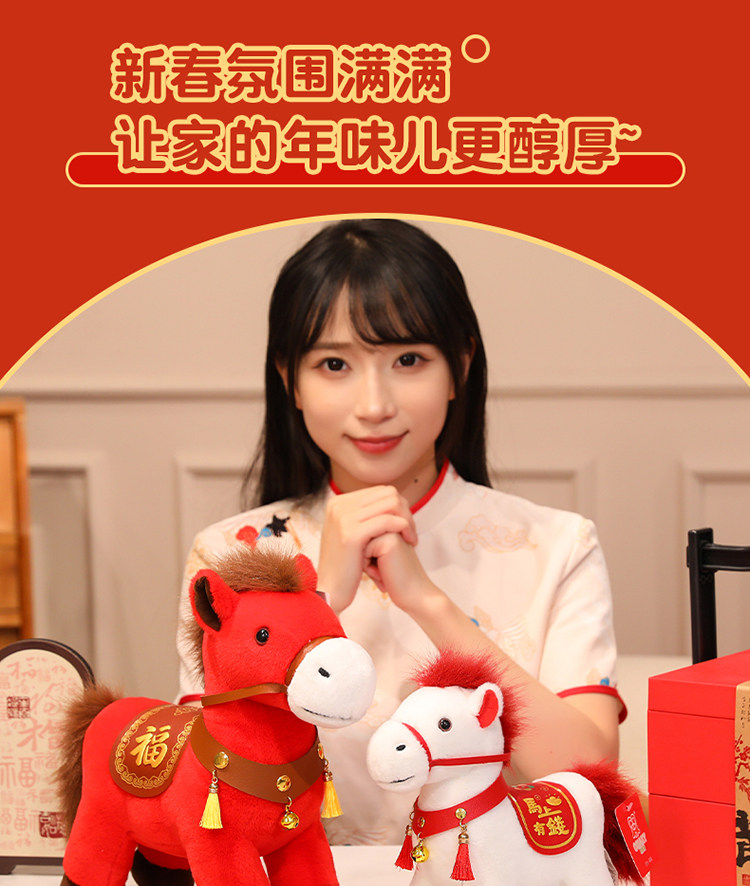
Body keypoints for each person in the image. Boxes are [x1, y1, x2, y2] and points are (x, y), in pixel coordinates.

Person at [176, 218, 624, 844]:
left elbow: (589, 778)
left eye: (408, 360)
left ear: (460, 366)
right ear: (290, 379)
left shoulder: (558, 546)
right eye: (334, 364)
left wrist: (429, 604)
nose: (374, 406)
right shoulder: (227, 556)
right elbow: (207, 782)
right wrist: (319, 603)